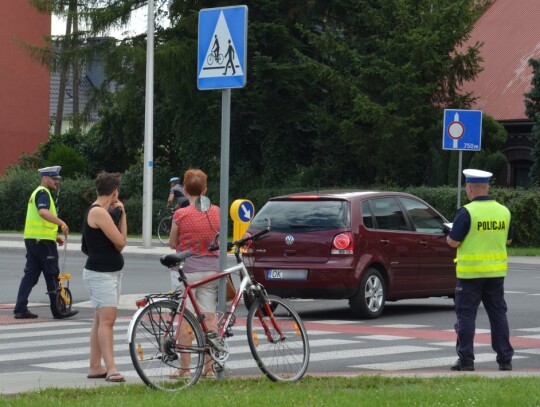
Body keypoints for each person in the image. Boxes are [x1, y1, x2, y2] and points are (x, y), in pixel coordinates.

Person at [447, 169, 514, 372]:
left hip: (470, 275)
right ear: (487, 187)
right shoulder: (504, 211)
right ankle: (505, 360)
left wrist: (448, 235)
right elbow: (509, 240)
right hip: (496, 274)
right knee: (498, 316)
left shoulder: (466, 212)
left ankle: (466, 361)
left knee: (466, 317)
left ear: (469, 188)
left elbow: (453, 241)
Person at [169, 169, 220, 379]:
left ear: (185, 190)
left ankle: (185, 369)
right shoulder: (216, 211)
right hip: (211, 271)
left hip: (187, 272)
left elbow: (172, 243)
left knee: (186, 318)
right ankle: (209, 368)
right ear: (205, 190)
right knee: (209, 317)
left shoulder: (181, 214)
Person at [13, 166, 79, 320]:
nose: (57, 181)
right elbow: (43, 213)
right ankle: (59, 310)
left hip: (34, 240)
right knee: (53, 275)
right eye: (54, 178)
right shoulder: (43, 193)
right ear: (45, 178)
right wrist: (61, 223)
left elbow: (39, 220)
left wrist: (54, 236)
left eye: (57, 179)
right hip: (43, 244)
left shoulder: (37, 193)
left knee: (30, 275)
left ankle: (20, 309)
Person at [82, 172, 127, 383]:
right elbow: (120, 242)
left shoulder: (99, 211)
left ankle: (95, 366)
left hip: (106, 272)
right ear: (114, 192)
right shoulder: (99, 212)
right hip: (101, 274)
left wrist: (120, 214)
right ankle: (111, 368)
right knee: (107, 321)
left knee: (100, 320)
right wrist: (122, 216)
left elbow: (87, 245)